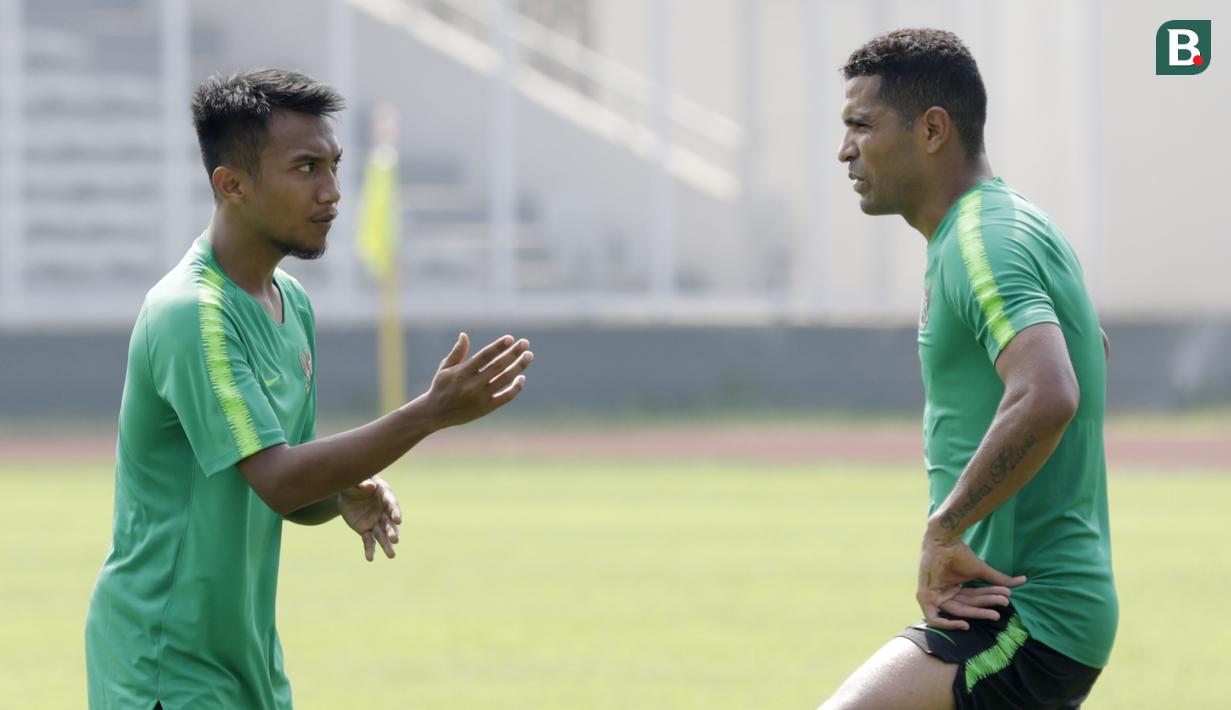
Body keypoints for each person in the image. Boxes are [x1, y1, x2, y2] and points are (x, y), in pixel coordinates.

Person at [84, 69, 535, 709]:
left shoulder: (290, 304)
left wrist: (341, 491)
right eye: (305, 169)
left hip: (248, 666)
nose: (331, 192)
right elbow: (281, 478)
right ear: (231, 185)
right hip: (164, 667)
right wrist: (427, 413)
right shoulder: (192, 314)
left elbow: (290, 485)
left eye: (333, 166)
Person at [821, 29, 1116, 710]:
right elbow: (1088, 350)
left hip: (1022, 612)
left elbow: (1048, 391)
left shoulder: (982, 239)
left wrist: (945, 530)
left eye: (859, 125)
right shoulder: (998, 225)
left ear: (930, 130)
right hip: (1023, 605)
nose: (843, 150)